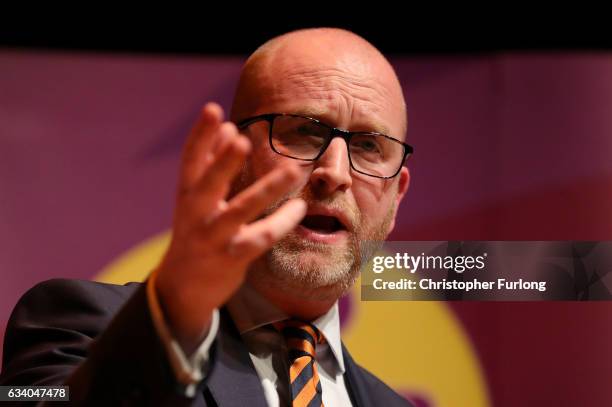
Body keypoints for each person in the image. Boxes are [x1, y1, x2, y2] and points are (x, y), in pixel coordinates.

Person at [0, 28, 413, 406]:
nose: (335, 173)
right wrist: (175, 319)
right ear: (229, 157)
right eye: (304, 131)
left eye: (368, 147)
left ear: (395, 198)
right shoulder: (77, 325)